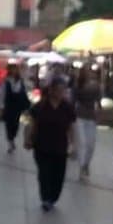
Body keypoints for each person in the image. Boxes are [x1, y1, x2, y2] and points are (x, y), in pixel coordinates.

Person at [26, 75, 76, 212]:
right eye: (58, 90)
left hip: (60, 147)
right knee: (44, 173)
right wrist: (29, 138)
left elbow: (71, 127)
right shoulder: (41, 106)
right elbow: (32, 123)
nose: (61, 93)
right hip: (42, 145)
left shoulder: (67, 107)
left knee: (58, 175)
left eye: (63, 90)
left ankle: (53, 197)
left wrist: (73, 144)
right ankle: (46, 198)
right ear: (51, 90)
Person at [73, 69, 101, 178]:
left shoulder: (96, 86)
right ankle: (81, 166)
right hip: (79, 116)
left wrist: (99, 114)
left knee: (91, 144)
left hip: (91, 117)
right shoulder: (77, 86)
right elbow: (73, 101)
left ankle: (86, 164)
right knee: (82, 143)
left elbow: (99, 102)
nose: (89, 73)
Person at [2, 63, 31, 153]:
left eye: (14, 69)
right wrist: (0, 106)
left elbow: (25, 91)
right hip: (9, 105)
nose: (13, 71)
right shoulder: (6, 81)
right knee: (8, 124)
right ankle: (10, 142)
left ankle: (12, 138)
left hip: (18, 106)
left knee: (16, 124)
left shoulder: (21, 81)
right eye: (11, 69)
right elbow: (2, 93)